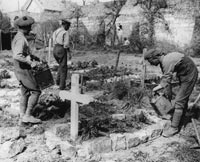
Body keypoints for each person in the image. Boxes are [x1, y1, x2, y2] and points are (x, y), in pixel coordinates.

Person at [144, 48, 198, 137]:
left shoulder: (166, 62)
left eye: (150, 61)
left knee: (179, 100)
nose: (150, 63)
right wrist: (166, 96)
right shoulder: (163, 62)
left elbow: (164, 82)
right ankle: (181, 119)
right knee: (182, 98)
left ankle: (174, 128)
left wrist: (154, 89)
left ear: (155, 57)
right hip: (184, 74)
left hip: (189, 74)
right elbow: (167, 83)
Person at [12, 16, 42, 124]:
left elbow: (22, 54)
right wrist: (30, 62)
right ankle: (28, 115)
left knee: (25, 93)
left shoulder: (18, 36)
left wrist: (32, 57)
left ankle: (22, 115)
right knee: (36, 91)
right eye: (30, 27)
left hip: (18, 69)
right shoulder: (21, 39)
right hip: (23, 70)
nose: (30, 29)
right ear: (26, 27)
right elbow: (17, 55)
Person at [52, 19, 72, 90]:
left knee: (60, 65)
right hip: (61, 49)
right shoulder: (65, 32)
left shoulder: (55, 32)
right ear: (65, 25)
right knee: (64, 68)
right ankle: (62, 86)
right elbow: (66, 45)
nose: (68, 28)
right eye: (68, 26)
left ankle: (57, 82)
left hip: (54, 50)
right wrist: (69, 53)